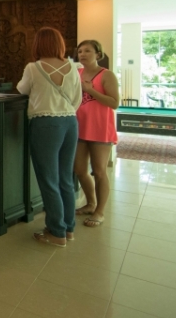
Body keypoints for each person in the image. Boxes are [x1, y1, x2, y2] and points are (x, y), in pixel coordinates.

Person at [17, 27, 82, 247]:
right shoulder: (73, 67)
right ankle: (68, 228)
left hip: (45, 124)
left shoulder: (33, 68)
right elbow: (77, 98)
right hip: (70, 122)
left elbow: (22, 90)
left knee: (49, 180)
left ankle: (56, 232)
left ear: (38, 44)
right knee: (65, 178)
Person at [73, 40, 119, 228]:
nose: (83, 54)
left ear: (98, 54)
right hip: (79, 127)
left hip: (100, 128)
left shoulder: (106, 75)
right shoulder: (76, 73)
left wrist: (91, 90)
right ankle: (90, 204)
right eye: (80, 51)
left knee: (99, 171)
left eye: (87, 51)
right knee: (79, 170)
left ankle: (100, 211)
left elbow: (114, 103)